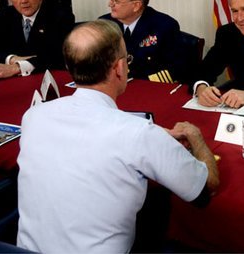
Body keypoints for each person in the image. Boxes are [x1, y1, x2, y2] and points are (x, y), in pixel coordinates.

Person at [16, 20, 219, 253]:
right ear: (119, 68)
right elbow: (205, 188)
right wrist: (196, 138)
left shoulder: (34, 116)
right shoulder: (139, 134)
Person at [100, 0, 181, 81]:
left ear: (136, 5)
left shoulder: (165, 26)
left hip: (146, 88)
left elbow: (174, 70)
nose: (109, 4)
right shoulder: (104, 24)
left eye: (116, 1)